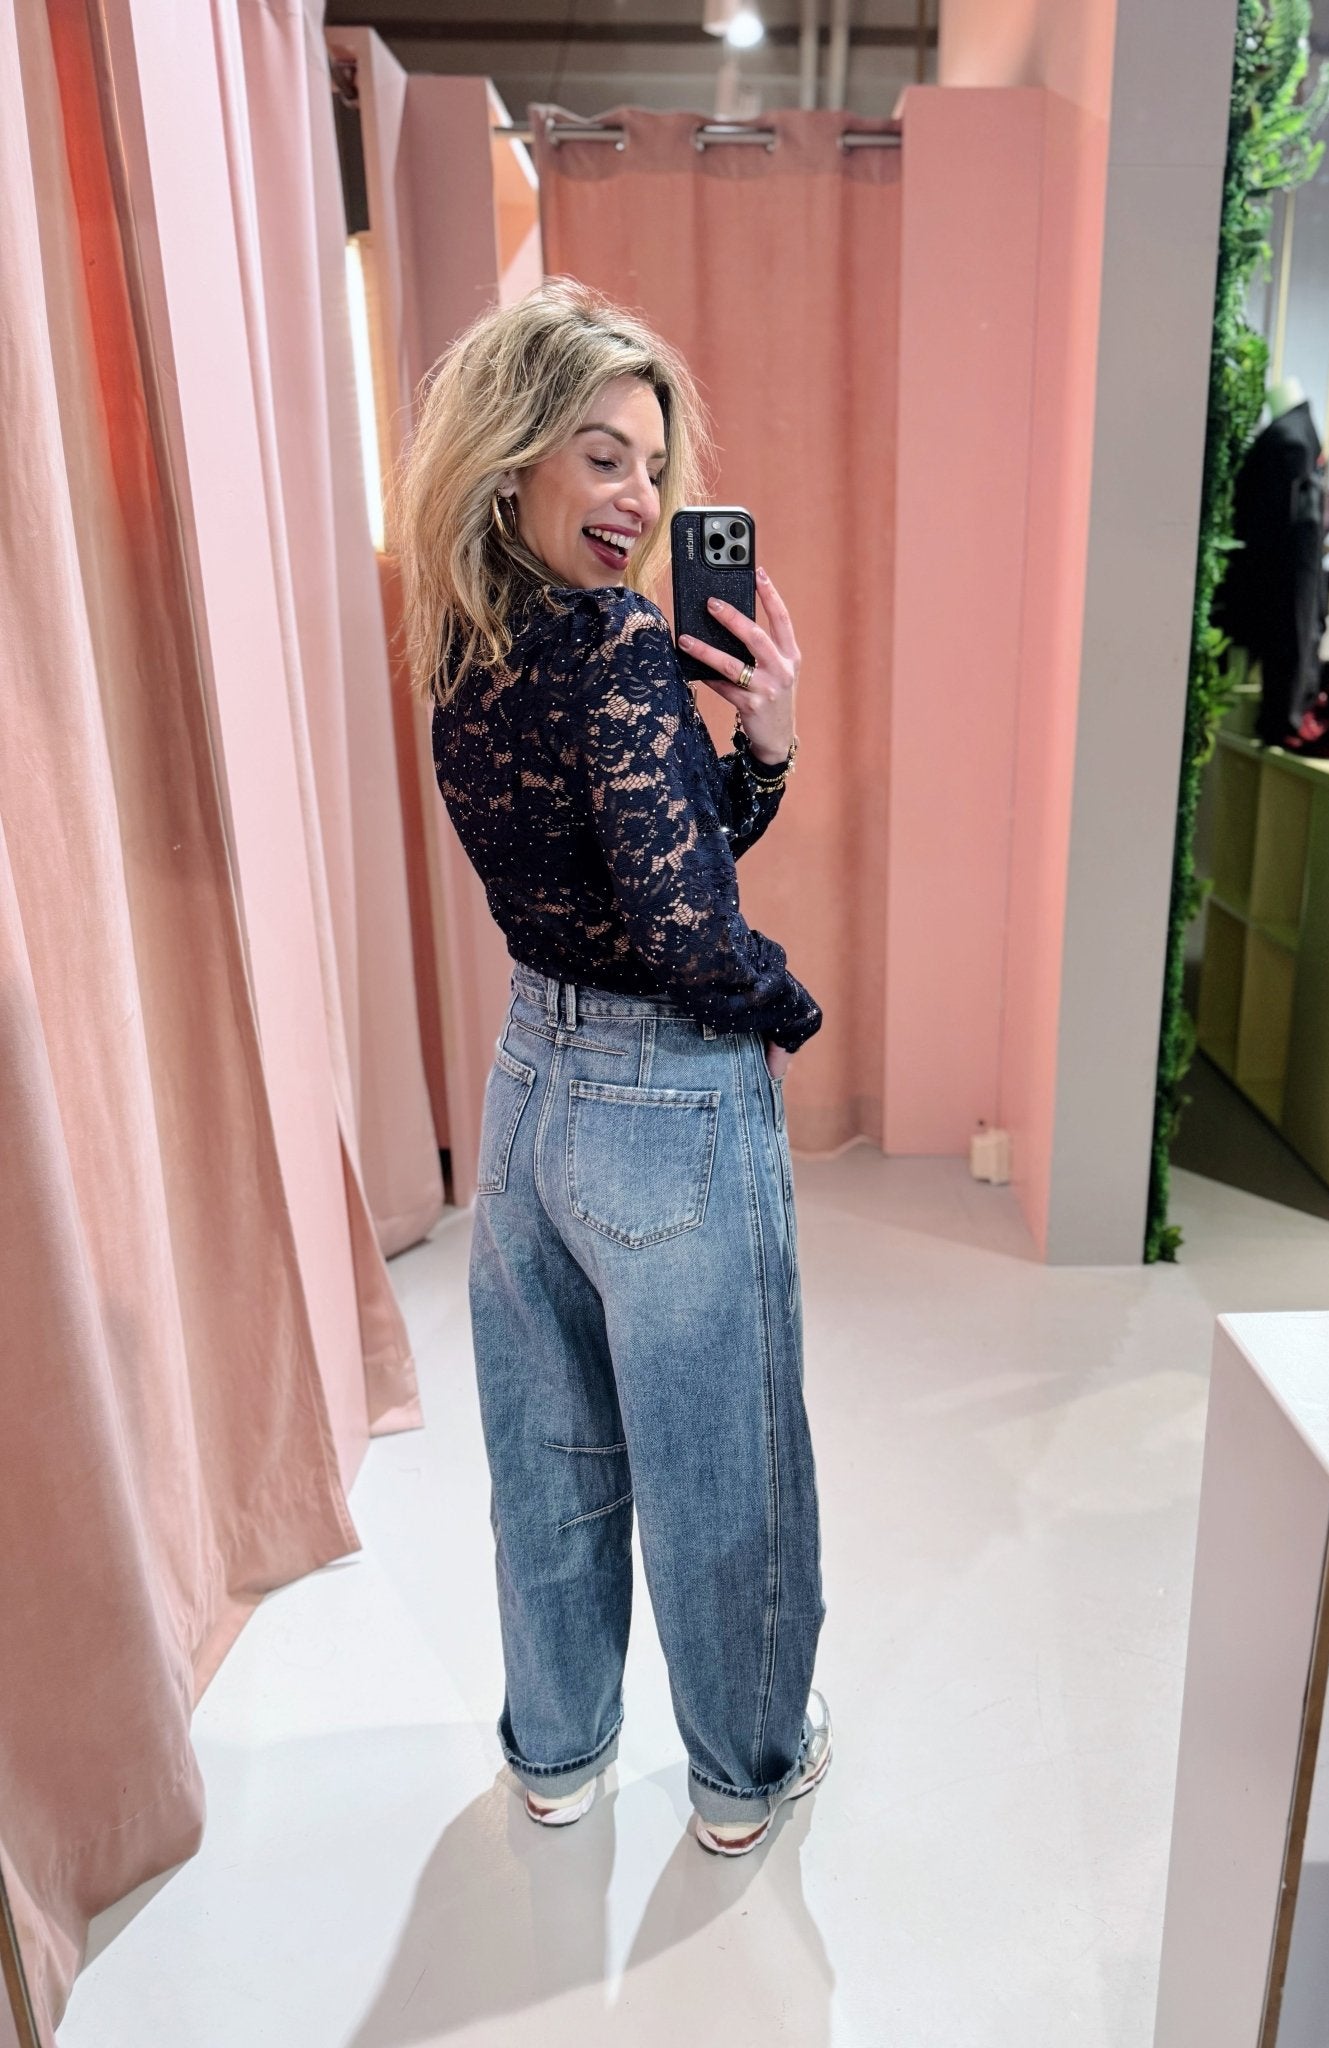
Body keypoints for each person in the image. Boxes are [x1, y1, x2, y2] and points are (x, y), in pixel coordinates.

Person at [392, 277, 829, 1857]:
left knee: (550, 1455)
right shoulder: (621, 644)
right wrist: (785, 1006)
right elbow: (688, 927)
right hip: (665, 1105)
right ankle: (745, 1779)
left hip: (532, 1091)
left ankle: (558, 1756)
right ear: (514, 456)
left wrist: (759, 747)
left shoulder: (468, 644)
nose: (639, 498)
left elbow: (643, 866)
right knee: (724, 1466)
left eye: (650, 465)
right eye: (600, 457)